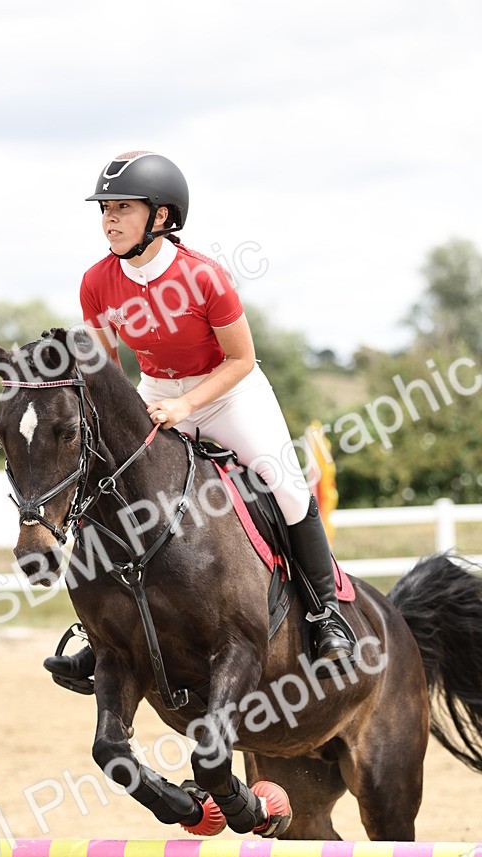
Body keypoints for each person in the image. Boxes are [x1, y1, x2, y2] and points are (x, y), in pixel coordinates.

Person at [44, 150, 355, 689]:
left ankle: (325, 615)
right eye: (105, 209)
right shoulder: (96, 282)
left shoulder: (204, 277)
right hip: (156, 392)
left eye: (122, 208)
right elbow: (107, 372)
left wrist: (187, 407)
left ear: (161, 216)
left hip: (228, 394)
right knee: (112, 490)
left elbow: (241, 359)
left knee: (287, 489)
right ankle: (102, 637)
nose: (109, 220)